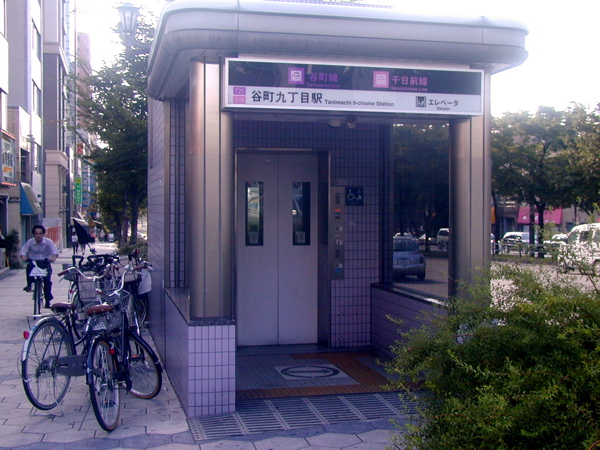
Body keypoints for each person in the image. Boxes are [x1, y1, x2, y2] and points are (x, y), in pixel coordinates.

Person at [20, 225, 59, 308]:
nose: (38, 236)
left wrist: (53, 257)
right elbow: (24, 250)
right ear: (34, 234)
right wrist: (23, 256)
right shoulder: (30, 242)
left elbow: (54, 251)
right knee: (29, 268)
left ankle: (48, 301)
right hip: (33, 262)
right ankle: (29, 285)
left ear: (43, 234)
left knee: (47, 282)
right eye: (36, 234)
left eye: (40, 233)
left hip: (45, 262)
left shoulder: (48, 242)